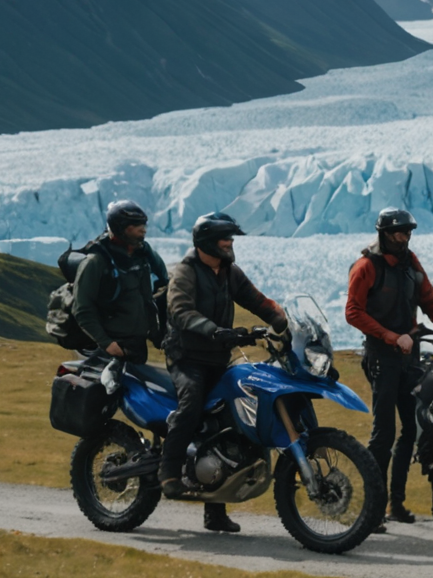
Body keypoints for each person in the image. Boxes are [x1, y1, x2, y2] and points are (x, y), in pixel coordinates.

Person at [159, 211, 290, 534]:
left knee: (227, 427)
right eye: (225, 239)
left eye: (231, 240)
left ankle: (214, 512)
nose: (230, 244)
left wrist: (281, 321)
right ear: (207, 242)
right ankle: (169, 472)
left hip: (218, 358)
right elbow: (180, 309)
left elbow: (256, 299)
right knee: (191, 404)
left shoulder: (230, 273)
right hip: (187, 357)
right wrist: (213, 330)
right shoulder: (186, 273)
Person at [345, 207, 433, 526]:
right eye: (398, 232)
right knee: (384, 433)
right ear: (383, 233)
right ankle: (373, 509)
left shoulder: (411, 263)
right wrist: (391, 337)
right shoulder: (366, 266)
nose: (404, 238)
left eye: (407, 233)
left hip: (409, 356)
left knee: (410, 429)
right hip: (382, 357)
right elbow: (353, 312)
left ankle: (396, 504)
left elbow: (431, 302)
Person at [72, 200, 168, 366]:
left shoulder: (141, 257)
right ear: (121, 228)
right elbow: (82, 308)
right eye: (136, 226)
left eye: (143, 225)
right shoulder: (96, 262)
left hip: (136, 344)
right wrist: (107, 344)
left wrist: (155, 333)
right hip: (110, 347)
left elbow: (159, 284)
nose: (143, 230)